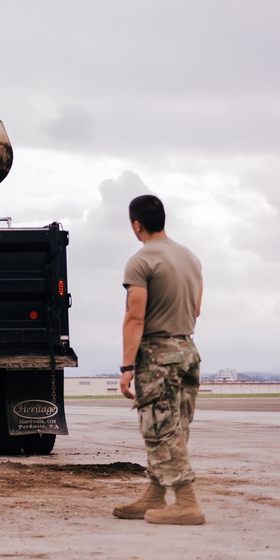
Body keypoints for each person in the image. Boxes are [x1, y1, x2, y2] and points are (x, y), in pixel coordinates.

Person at [113, 195, 205, 525]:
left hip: (158, 356)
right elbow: (196, 308)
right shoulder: (190, 257)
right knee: (175, 427)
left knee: (160, 430)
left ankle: (186, 501)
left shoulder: (140, 261)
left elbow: (135, 317)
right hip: (187, 351)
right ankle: (155, 494)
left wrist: (126, 368)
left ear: (136, 224)